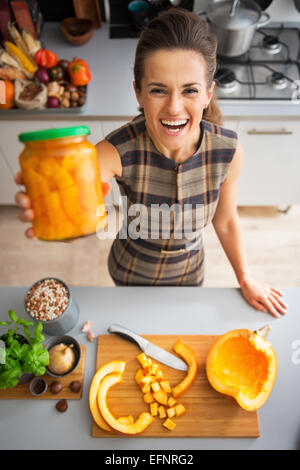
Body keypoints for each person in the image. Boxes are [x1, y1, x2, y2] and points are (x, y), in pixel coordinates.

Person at [15, 8, 287, 317]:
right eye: (158, 90)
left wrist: (245, 277)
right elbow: (77, 213)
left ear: (208, 94)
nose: (173, 108)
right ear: (139, 93)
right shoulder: (117, 150)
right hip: (130, 274)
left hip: (190, 276)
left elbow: (224, 221)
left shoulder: (229, 152)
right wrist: (48, 206)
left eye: (190, 90)